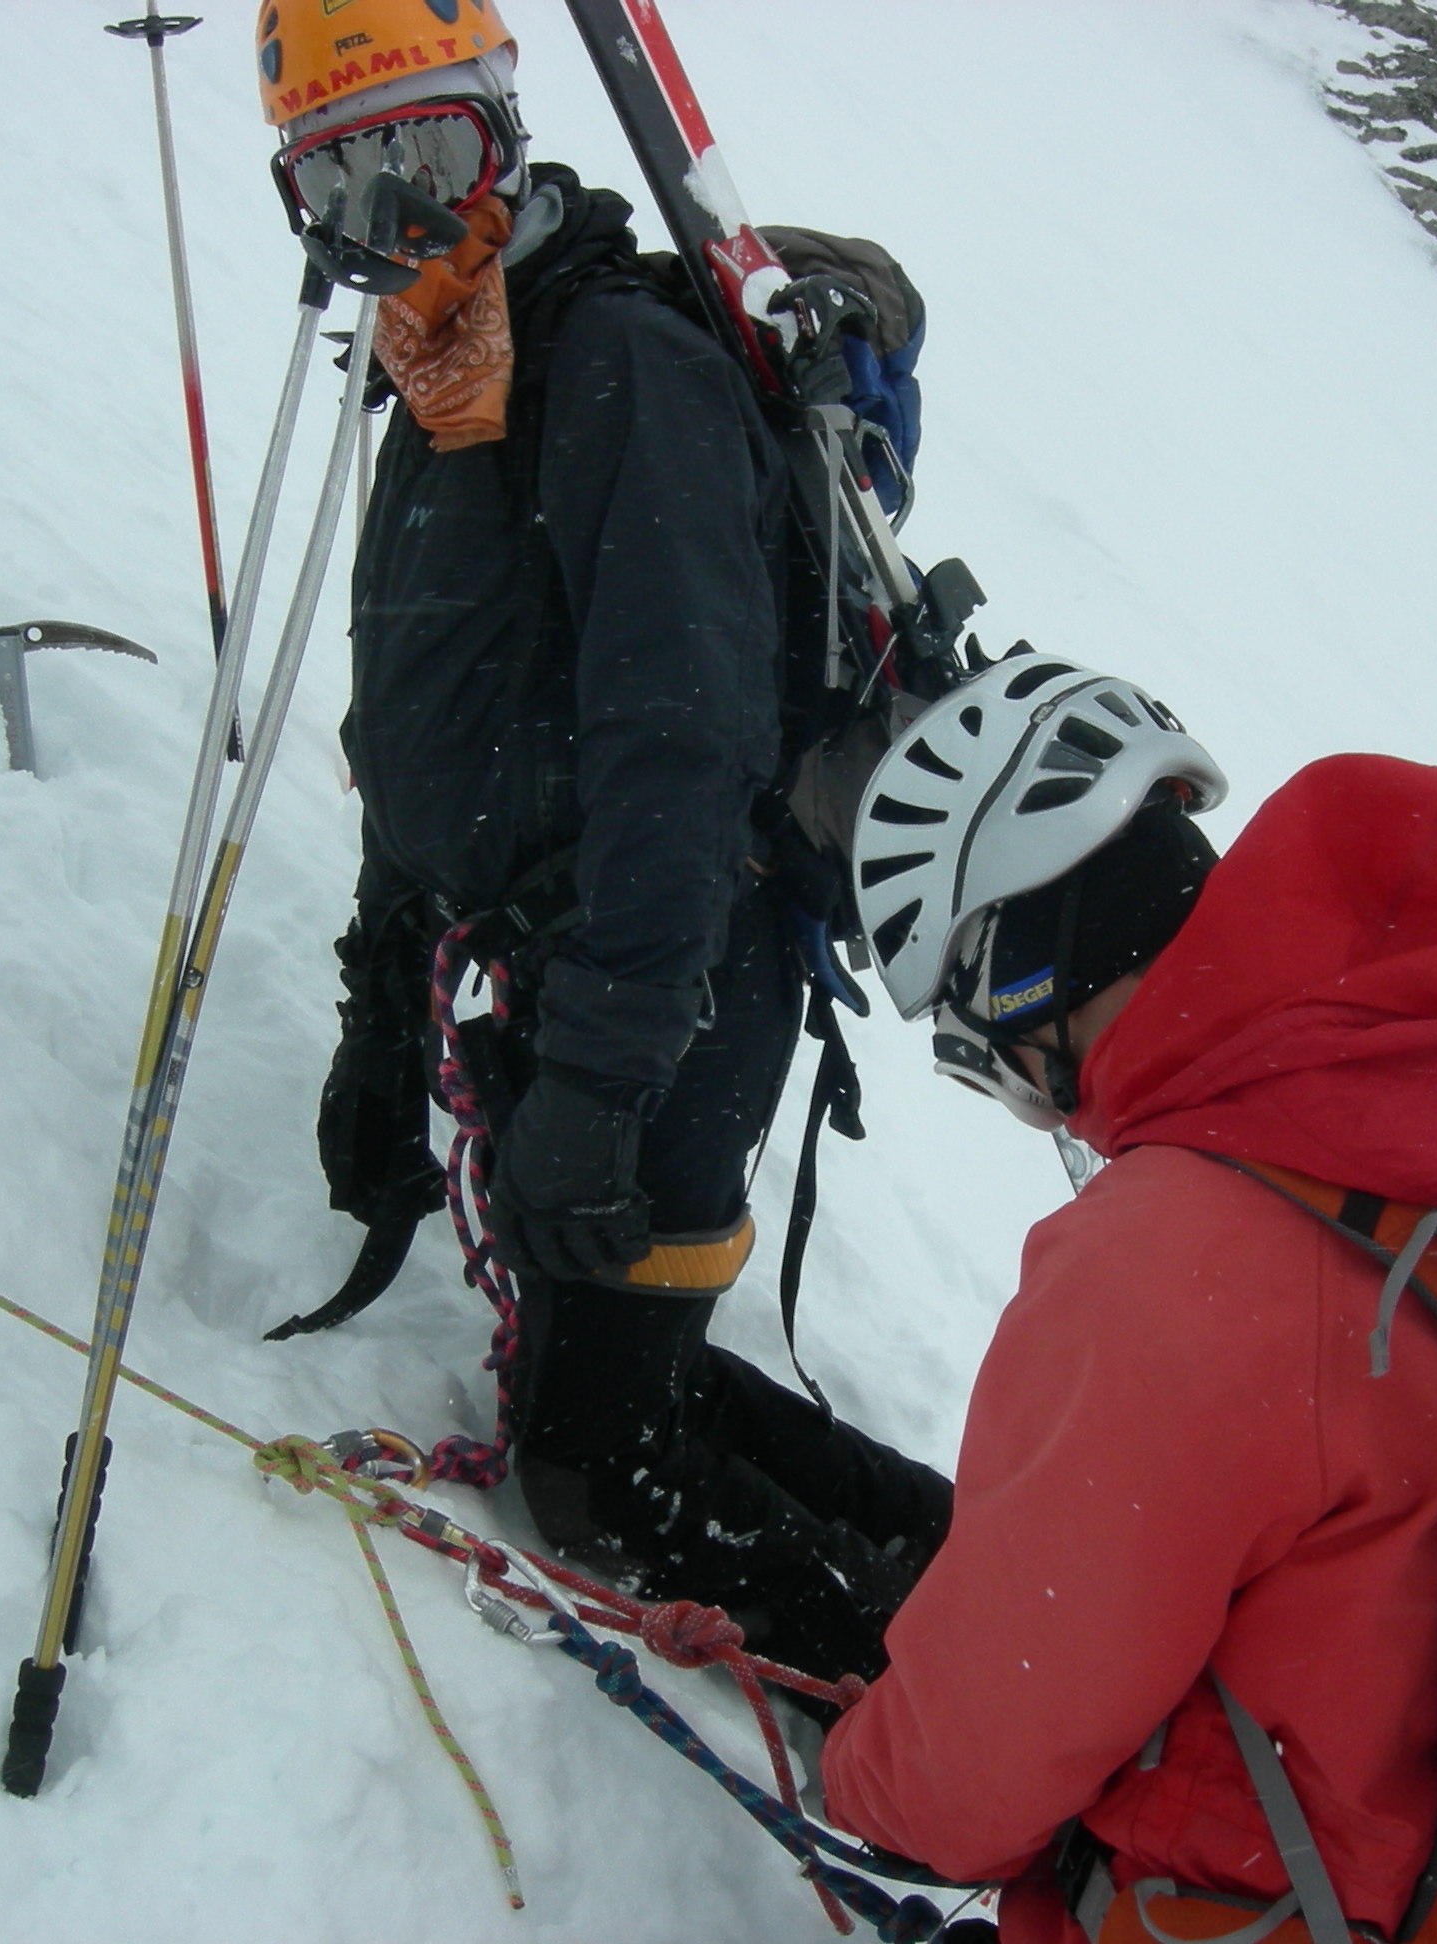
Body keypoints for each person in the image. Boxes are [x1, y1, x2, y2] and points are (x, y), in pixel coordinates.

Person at [256, 0, 950, 1684]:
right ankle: (986, 1568)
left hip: (676, 983)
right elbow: (425, 744)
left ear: (502, 130)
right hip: (570, 982)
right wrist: (373, 1025)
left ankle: (964, 1719)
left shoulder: (616, 362)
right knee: (618, 1377)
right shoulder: (441, 373)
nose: (401, 223)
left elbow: (681, 752)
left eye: (427, 156)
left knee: (595, 1469)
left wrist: (599, 1085)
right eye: (347, 187)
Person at [823, 655, 1437, 1942]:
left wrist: (863, 1771)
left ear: (1017, 975)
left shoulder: (1167, 1261)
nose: (1011, 1088)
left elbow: (965, 1780)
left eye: (973, 1043)